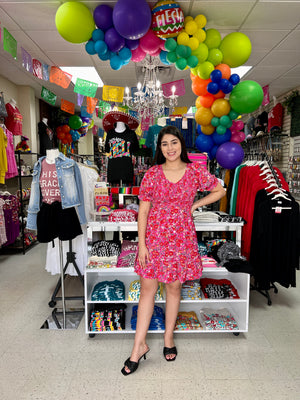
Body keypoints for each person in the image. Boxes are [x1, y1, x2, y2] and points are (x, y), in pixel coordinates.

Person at [121, 125, 226, 375]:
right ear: (160, 147)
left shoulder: (194, 172)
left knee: (174, 287)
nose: (170, 148)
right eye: (165, 144)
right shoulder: (152, 174)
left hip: (181, 239)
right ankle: (138, 347)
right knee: (147, 290)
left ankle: (169, 338)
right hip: (155, 239)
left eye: (174, 142)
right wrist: (142, 244)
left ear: (181, 144)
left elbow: (220, 190)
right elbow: (143, 211)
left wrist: (195, 205)